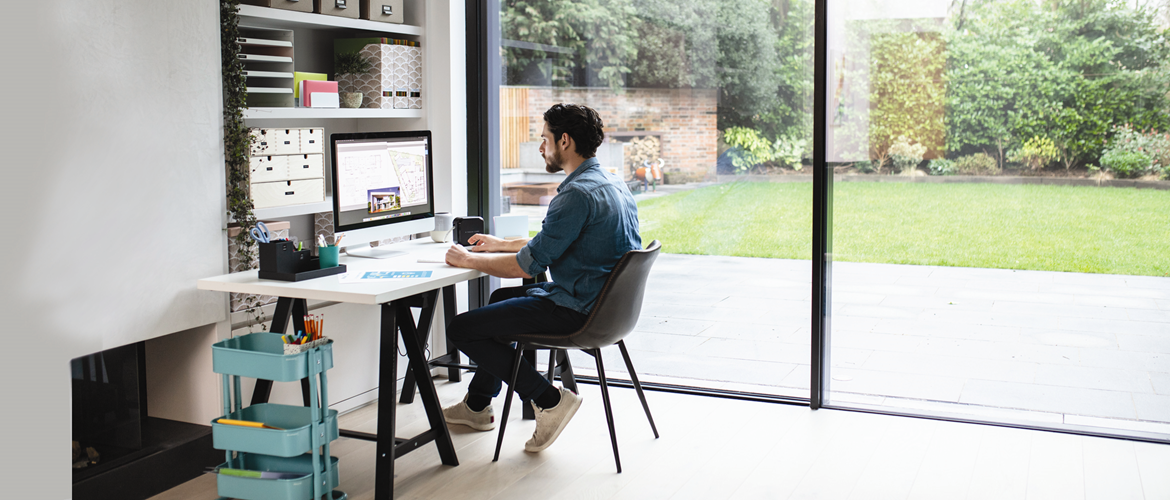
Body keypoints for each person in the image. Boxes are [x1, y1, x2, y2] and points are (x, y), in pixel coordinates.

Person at [441, 103, 642, 453]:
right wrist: (500, 244)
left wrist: (467, 258)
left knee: (460, 328)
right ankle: (477, 407)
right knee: (499, 304)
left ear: (564, 141)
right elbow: (557, 241)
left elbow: (526, 268)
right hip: (608, 308)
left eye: (543, 138)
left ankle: (549, 399)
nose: (540, 147)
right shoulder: (611, 181)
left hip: (578, 311)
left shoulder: (576, 194)